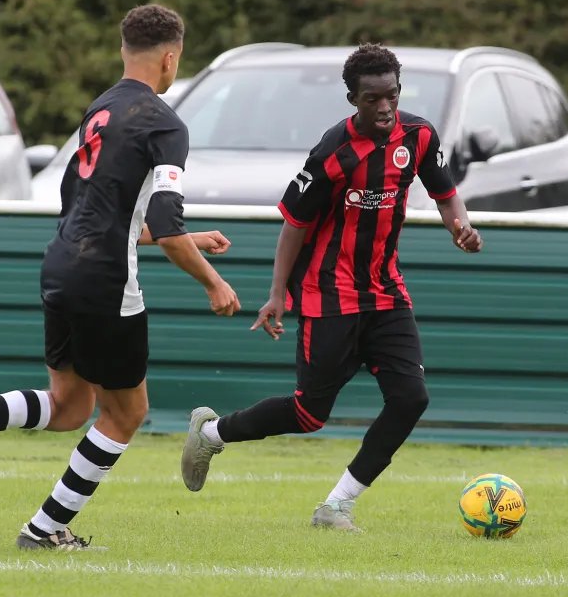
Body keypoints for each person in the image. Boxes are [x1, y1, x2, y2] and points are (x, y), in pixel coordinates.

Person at [0, 4, 241, 550]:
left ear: (124, 52)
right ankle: (44, 530)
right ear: (172, 59)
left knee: (71, 405)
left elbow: (93, 214)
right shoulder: (166, 124)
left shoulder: (99, 111)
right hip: (104, 281)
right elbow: (166, 227)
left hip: (61, 264)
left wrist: (189, 241)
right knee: (127, 412)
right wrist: (213, 281)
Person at [180, 43, 482, 531]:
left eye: (391, 96)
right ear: (352, 99)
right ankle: (212, 432)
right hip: (328, 295)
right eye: (371, 99)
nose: (384, 108)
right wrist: (279, 294)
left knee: (411, 398)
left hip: (386, 293)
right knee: (308, 414)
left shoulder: (420, 136)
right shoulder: (331, 152)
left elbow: (445, 193)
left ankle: (337, 506)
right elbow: (293, 227)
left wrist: (460, 226)